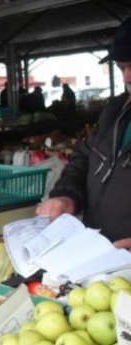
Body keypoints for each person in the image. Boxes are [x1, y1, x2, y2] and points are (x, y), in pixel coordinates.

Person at [36, 17, 131, 250]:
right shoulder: (115, 111)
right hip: (99, 255)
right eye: (122, 67)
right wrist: (67, 196)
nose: (127, 77)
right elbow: (84, 157)